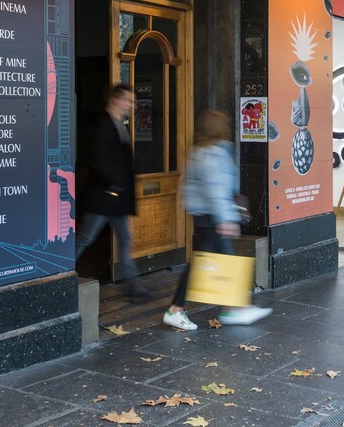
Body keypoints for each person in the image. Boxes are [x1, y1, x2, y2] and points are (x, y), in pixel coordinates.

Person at [164, 110, 272, 330]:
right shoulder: (213, 153)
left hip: (205, 216)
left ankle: (233, 309)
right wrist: (225, 219)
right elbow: (216, 190)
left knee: (210, 263)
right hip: (213, 217)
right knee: (212, 263)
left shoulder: (199, 151)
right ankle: (178, 310)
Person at [76, 84, 149, 300]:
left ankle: (135, 288)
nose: (132, 105)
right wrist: (115, 186)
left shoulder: (118, 125)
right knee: (86, 238)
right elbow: (98, 161)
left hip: (114, 199)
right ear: (116, 100)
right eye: (128, 100)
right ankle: (60, 273)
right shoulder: (102, 125)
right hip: (103, 197)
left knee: (125, 239)